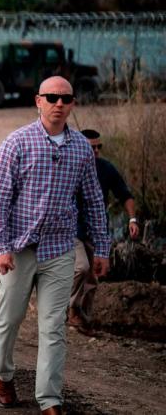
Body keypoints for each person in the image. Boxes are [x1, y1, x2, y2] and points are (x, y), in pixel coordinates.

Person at [0, 77, 109, 414]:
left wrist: (101, 248)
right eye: (51, 97)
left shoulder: (82, 148)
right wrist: (0, 246)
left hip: (59, 249)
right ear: (38, 101)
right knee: (9, 319)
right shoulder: (17, 143)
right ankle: (4, 375)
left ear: (72, 105)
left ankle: (49, 399)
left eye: (65, 99)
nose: (58, 103)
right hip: (18, 248)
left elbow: (94, 201)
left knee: (53, 326)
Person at [68, 128, 139, 336]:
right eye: (92, 147)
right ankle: (71, 309)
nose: (97, 151)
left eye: (99, 147)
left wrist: (132, 219)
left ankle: (84, 318)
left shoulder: (106, 169)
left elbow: (125, 194)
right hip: (72, 229)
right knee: (81, 267)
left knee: (94, 275)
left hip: (97, 230)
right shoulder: (70, 167)